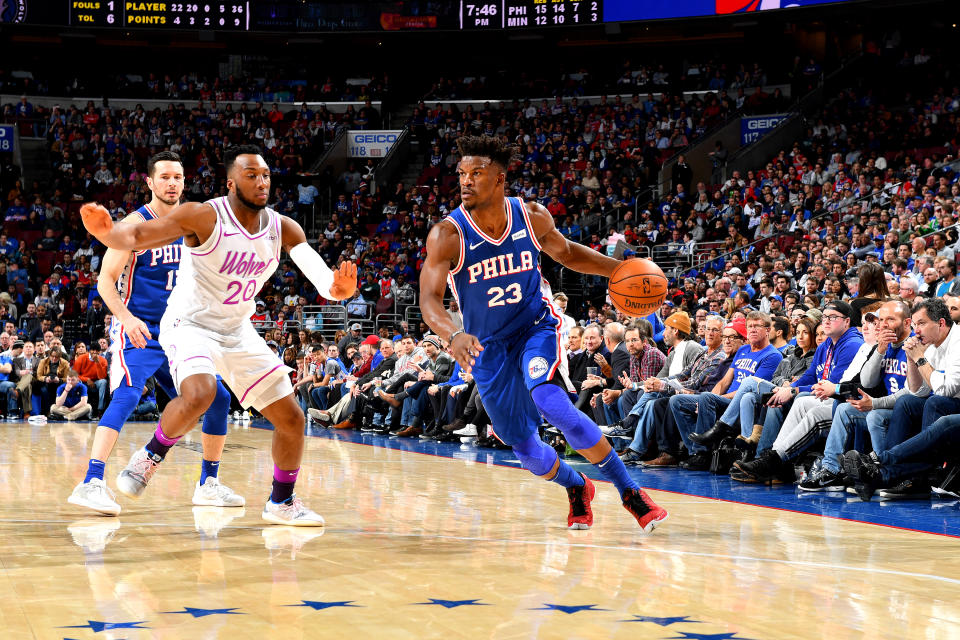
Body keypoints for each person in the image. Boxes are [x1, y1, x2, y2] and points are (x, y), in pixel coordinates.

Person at [80, 144, 357, 526]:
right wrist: (109, 232)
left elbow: (323, 279)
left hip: (237, 329)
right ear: (231, 183)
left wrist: (335, 289)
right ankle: (151, 455)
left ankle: (281, 501)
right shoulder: (204, 215)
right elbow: (139, 234)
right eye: (251, 175)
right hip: (188, 324)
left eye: (265, 176)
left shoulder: (283, 227)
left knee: (292, 419)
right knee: (201, 392)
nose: (261, 182)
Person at [418, 135, 667, 533]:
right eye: (461, 174)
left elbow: (567, 253)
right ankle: (577, 486)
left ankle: (630, 492)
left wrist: (618, 270)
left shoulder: (530, 215)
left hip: (535, 326)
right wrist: (453, 335)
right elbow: (429, 301)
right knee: (525, 449)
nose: (465, 181)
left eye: (476, 174)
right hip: (487, 348)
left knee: (551, 401)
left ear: (499, 179)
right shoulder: (447, 234)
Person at [68, 151, 239, 518]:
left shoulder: (191, 223)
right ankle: (92, 481)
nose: (172, 183)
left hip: (182, 331)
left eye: (177, 177)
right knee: (128, 394)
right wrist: (126, 319)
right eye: (164, 177)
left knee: (218, 399)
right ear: (149, 182)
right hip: (142, 327)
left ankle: (208, 484)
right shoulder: (135, 225)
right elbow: (104, 282)